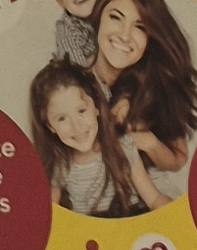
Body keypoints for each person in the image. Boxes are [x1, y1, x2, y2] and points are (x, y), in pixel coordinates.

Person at [92, 0, 197, 199]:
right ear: (98, 17)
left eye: (140, 27)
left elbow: (178, 158)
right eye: (115, 17)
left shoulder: (154, 86)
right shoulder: (66, 82)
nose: (125, 35)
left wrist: (147, 141)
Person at [27, 59, 142, 219]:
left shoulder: (123, 148)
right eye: (62, 118)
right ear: (50, 126)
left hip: (129, 224)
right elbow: (47, 215)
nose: (76, 126)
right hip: (88, 231)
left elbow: (154, 199)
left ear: (96, 107)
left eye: (81, 111)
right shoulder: (61, 165)